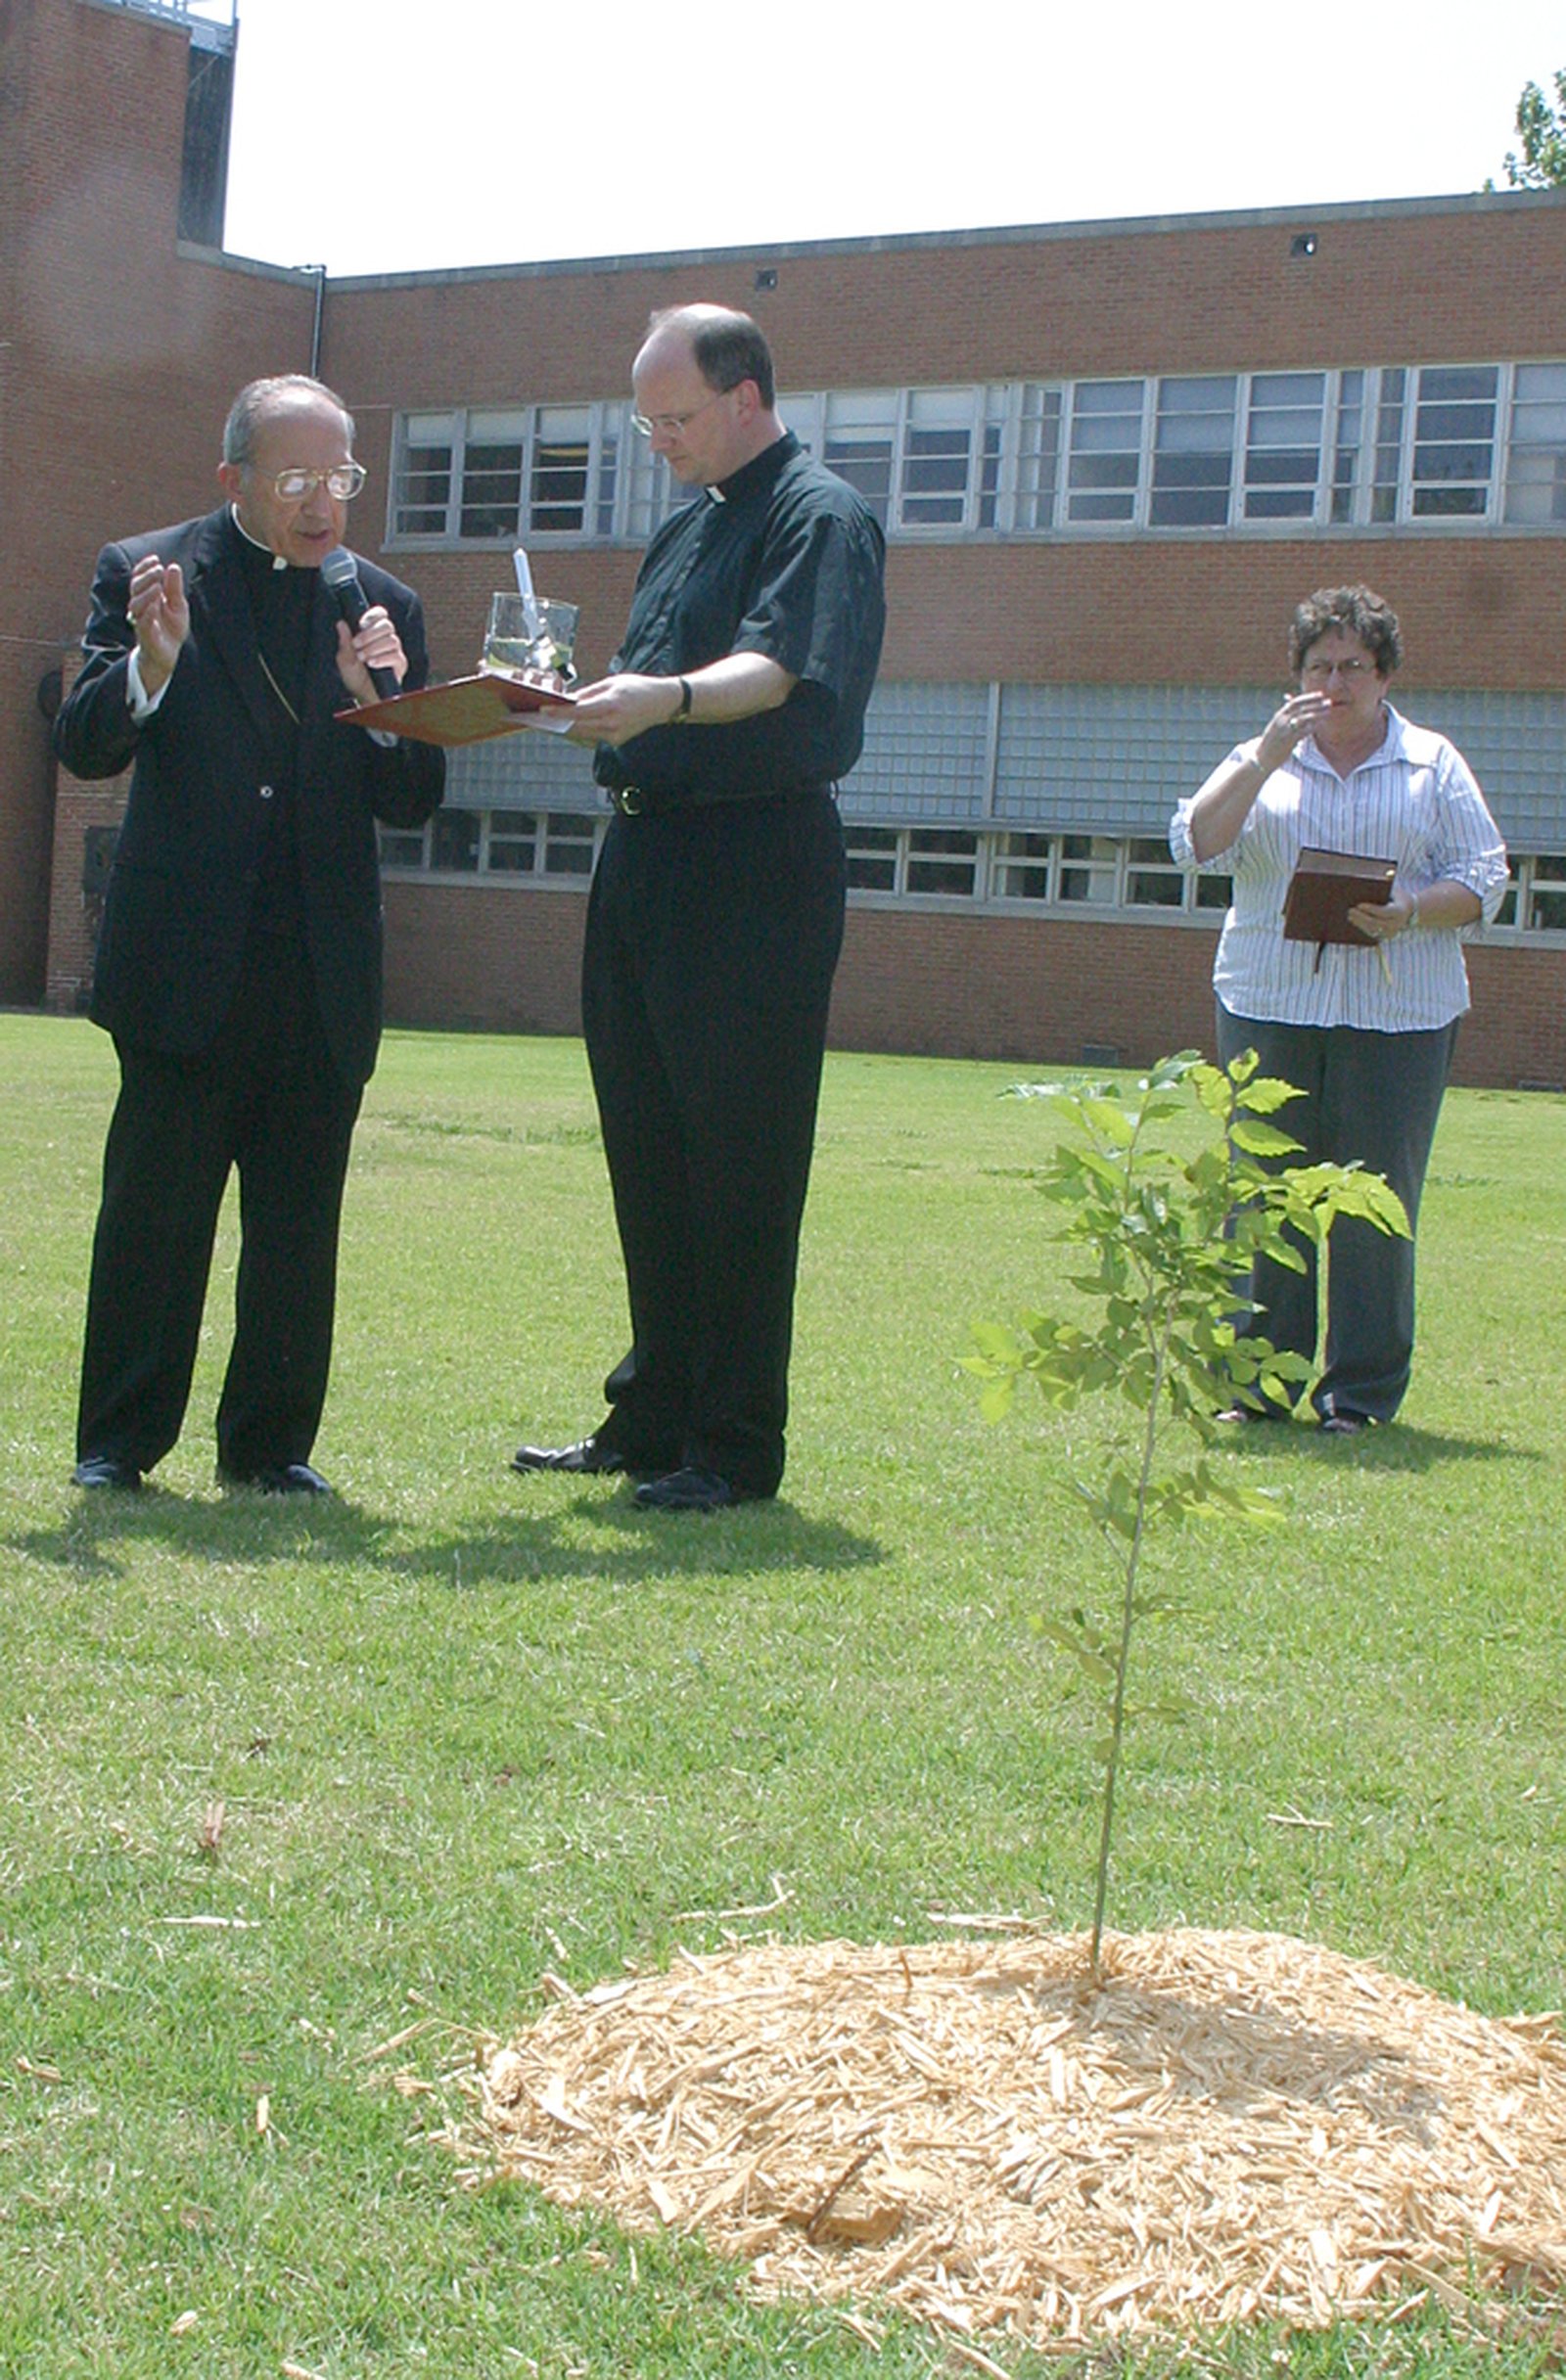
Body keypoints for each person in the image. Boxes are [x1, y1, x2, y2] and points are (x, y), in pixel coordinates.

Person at [513, 304, 886, 1511]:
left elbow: (773, 671)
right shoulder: (684, 529)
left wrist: (663, 695)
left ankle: (732, 1447)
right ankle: (653, 1415)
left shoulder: (816, 514)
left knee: (740, 1160)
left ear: (745, 396)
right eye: (646, 420)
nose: (659, 440)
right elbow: (652, 691)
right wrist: (567, 700)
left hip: (752, 867)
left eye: (675, 418)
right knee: (647, 1148)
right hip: (645, 861)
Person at [56, 375, 445, 1493]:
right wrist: (152, 662)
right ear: (234, 479)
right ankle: (117, 1445)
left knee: (294, 1231)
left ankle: (271, 1450)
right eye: (296, 478)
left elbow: (414, 799)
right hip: (184, 962)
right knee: (153, 1222)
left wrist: (385, 699)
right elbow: (83, 744)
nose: (324, 503)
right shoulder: (149, 572)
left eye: (342, 478)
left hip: (320, 972)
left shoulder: (381, 605)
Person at [1170, 583, 1507, 1434]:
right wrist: (1260, 762)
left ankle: (1358, 1397)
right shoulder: (1260, 755)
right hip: (1270, 1004)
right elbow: (1195, 844)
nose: (1336, 682)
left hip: (1399, 1017)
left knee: (1374, 1206)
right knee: (1264, 1200)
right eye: (1319, 666)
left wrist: (1412, 911)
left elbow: (1487, 877)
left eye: (1354, 665)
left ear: (1385, 675)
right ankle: (1256, 1385)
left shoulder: (1433, 764)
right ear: (1296, 677)